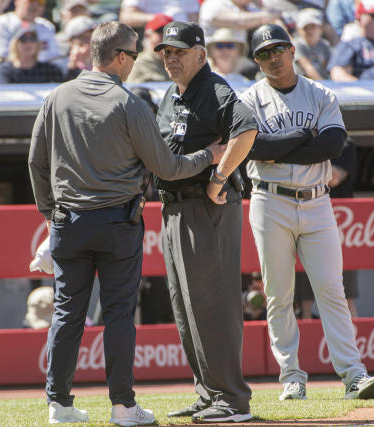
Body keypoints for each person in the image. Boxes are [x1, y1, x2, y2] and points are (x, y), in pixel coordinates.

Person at [28, 21, 224, 425]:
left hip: (69, 222)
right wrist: (210, 155)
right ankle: (122, 407)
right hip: (117, 221)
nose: (136, 62)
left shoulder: (57, 97)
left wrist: (50, 217)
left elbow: (36, 164)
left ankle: (59, 405)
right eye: (134, 55)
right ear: (120, 57)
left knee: (67, 312)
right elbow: (168, 168)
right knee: (118, 314)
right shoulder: (129, 103)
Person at [240, 23, 374, 401]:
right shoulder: (250, 98)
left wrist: (280, 147)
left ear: (291, 49)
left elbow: (332, 145)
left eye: (278, 49)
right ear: (256, 60)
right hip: (270, 199)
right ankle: (291, 375)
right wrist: (304, 137)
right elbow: (251, 148)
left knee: (331, 289)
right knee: (278, 293)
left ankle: (353, 374)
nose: (273, 57)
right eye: (263, 53)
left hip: (318, 200)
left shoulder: (319, 92)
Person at [153, 21, 257, 423]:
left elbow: (245, 130)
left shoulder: (214, 89)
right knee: (185, 307)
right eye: (166, 52)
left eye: (179, 51)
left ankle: (232, 400)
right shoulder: (171, 94)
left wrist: (218, 178)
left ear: (201, 53)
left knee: (212, 305)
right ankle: (209, 392)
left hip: (206, 207)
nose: (171, 58)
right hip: (174, 206)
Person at [294, 138, 360, 319]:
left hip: (341, 229)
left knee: (345, 296)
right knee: (305, 298)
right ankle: (308, 346)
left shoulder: (344, 144)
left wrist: (305, 161)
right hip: (307, 222)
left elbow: (334, 177)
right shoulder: (306, 142)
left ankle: (354, 345)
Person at [0, 0, 60, 73]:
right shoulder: (1, 23)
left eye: (40, 2)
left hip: (43, 74)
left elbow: (54, 58)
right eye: (31, 1)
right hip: (12, 73)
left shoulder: (46, 26)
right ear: (17, 1)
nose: (35, 5)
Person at [0, 24, 65, 83]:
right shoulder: (5, 70)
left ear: (38, 43)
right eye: (23, 39)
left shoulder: (49, 70)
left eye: (33, 38)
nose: (28, 43)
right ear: (15, 44)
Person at [126, 13, 171, 83]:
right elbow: (132, 91)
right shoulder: (137, 64)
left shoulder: (181, 62)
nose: (165, 36)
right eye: (160, 31)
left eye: (169, 32)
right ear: (148, 35)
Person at [293, 8, 331, 80]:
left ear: (320, 28)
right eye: (305, 28)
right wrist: (323, 86)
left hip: (323, 83)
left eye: (313, 27)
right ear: (299, 30)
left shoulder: (325, 45)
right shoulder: (297, 45)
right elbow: (307, 67)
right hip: (303, 84)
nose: (309, 31)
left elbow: (330, 67)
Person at [118, 0, 200, 31]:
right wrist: (158, 20)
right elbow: (126, 17)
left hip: (184, 37)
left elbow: (194, 19)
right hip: (157, 34)